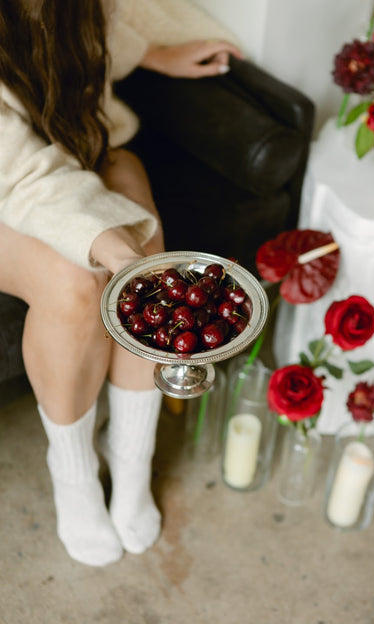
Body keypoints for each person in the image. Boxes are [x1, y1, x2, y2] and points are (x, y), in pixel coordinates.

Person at [0, 0, 242, 567]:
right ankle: (75, 471)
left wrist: (150, 52)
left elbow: (92, 32)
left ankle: (132, 454)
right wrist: (109, 246)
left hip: (81, 148)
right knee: (79, 280)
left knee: (146, 252)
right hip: (7, 182)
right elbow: (21, 176)